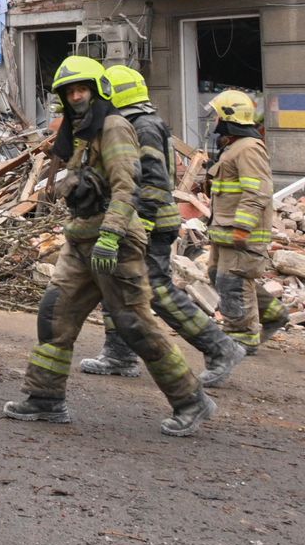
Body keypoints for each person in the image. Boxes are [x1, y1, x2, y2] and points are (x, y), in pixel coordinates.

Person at [2, 57, 213, 437]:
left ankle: (190, 399)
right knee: (55, 313)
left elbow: (126, 187)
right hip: (82, 239)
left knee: (134, 324)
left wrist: (112, 236)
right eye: (69, 92)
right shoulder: (82, 132)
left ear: (98, 91)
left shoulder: (114, 127)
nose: (76, 96)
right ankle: (45, 397)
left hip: (113, 243)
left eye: (82, 89)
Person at [77, 65, 242, 387]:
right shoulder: (130, 123)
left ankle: (221, 348)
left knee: (155, 291)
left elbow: (153, 182)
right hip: (132, 220)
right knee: (114, 286)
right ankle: (119, 355)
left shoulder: (144, 126)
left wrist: (144, 224)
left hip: (147, 223)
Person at [201, 89, 288, 355]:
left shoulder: (249, 149)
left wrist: (243, 226)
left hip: (239, 232)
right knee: (218, 275)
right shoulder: (234, 147)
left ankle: (241, 338)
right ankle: (272, 312)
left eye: (217, 115)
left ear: (229, 116)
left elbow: (258, 191)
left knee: (232, 281)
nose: (214, 120)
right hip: (225, 230)